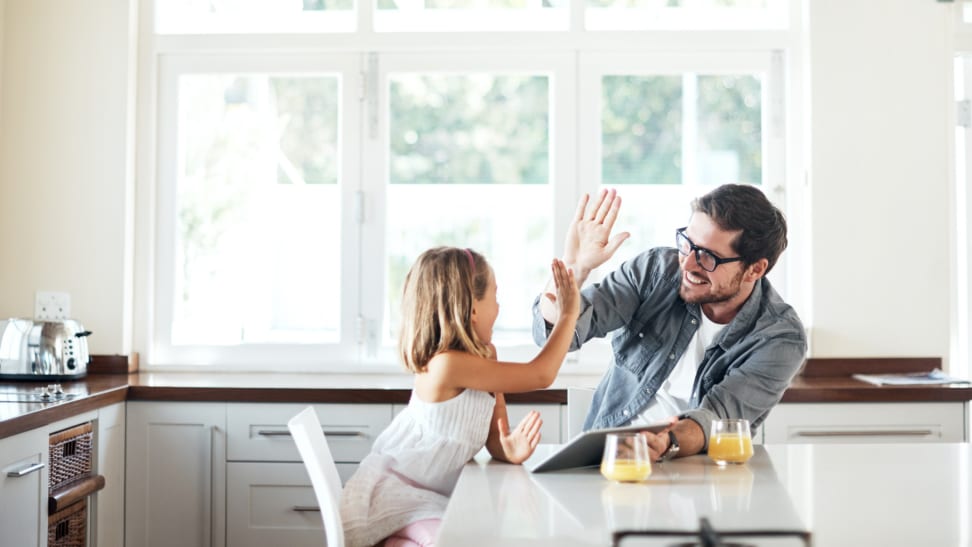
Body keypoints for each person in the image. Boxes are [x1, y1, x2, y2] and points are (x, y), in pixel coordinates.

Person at [533, 184, 807, 462]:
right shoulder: (655, 271)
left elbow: (719, 418)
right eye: (687, 243)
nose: (688, 264)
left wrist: (667, 442)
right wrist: (574, 268)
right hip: (610, 460)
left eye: (707, 257)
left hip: (696, 474)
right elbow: (558, 337)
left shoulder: (779, 337)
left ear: (755, 269)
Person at [341, 246, 579, 547]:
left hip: (434, 496)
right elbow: (541, 375)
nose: (499, 306)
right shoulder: (446, 365)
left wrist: (508, 449)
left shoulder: (486, 357)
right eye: (495, 296)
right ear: (473, 308)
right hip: (398, 493)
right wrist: (568, 316)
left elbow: (495, 436)